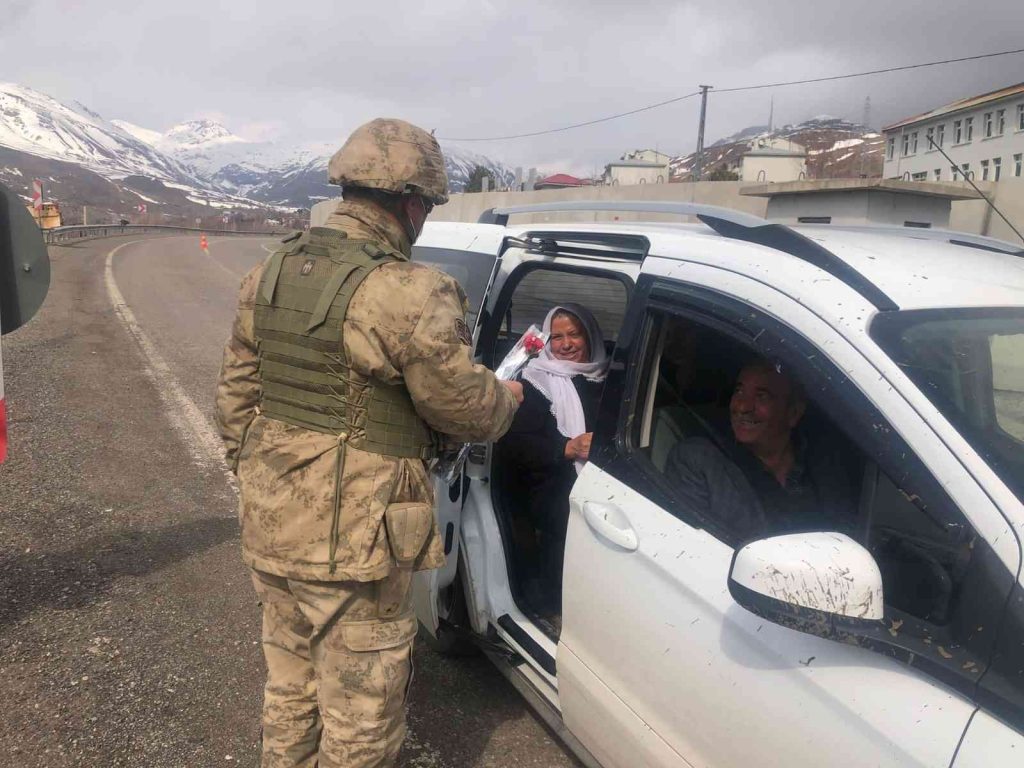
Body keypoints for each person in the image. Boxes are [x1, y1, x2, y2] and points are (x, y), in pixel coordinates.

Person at [215, 118, 523, 768]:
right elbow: (463, 406)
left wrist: (263, 482)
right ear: (413, 203)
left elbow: (235, 402)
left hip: (271, 528)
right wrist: (507, 398)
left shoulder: (272, 271)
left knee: (291, 693)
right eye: (426, 208)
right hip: (353, 545)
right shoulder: (408, 291)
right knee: (361, 724)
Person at [665, 357, 856, 541]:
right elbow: (692, 549)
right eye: (739, 391)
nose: (742, 406)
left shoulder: (822, 463)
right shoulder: (699, 460)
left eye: (761, 396)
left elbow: (846, 536)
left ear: (794, 413)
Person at [499, 304, 610, 610]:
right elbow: (515, 446)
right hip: (553, 483)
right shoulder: (536, 381)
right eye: (557, 337)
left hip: (607, 477)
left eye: (574, 335)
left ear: (590, 336)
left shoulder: (609, 378)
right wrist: (566, 448)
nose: (565, 344)